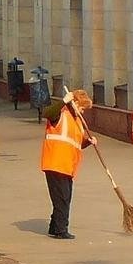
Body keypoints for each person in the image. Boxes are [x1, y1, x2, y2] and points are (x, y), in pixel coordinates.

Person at [40, 87, 96, 240]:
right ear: (75, 104)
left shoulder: (77, 121)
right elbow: (47, 113)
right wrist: (63, 100)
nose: (83, 112)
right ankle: (60, 230)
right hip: (55, 162)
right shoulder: (60, 114)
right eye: (82, 108)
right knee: (62, 197)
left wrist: (88, 142)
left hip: (67, 165)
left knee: (64, 197)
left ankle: (54, 226)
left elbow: (75, 143)